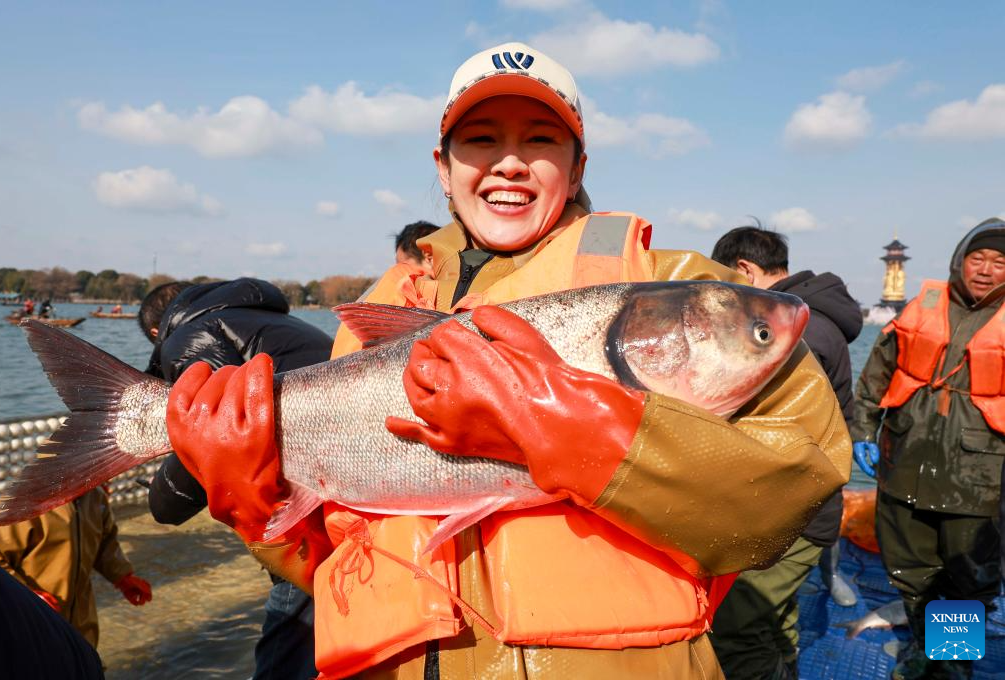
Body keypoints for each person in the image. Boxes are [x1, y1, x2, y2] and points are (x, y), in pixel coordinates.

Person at [163, 42, 850, 679]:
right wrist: (257, 505)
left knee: (949, 612)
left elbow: (793, 487)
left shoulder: (688, 292)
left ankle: (957, 655)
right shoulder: (374, 316)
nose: (509, 162)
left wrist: (572, 430)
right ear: (444, 167)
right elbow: (334, 565)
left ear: (579, 166)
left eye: (541, 140)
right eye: (481, 140)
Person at [139, 277, 334, 680]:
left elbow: (212, 435)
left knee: (288, 633)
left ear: (157, 332)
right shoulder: (275, 322)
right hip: (343, 480)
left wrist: (161, 502)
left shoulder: (190, 339)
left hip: (305, 508)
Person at [709, 224, 863, 679]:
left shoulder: (792, 330)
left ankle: (948, 664)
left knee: (956, 593)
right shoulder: (806, 318)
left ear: (744, 270)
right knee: (919, 584)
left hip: (967, 495)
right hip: (909, 489)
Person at [854, 218, 1005, 680]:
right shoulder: (921, 309)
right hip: (904, 464)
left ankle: (950, 666)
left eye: (1000, 262)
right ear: (960, 261)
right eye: (977, 258)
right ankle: (928, 646)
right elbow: (876, 375)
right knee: (911, 571)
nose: (985, 270)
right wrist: (862, 430)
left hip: (978, 482)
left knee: (967, 579)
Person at [0, 487, 152, 649]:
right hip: (33, 622)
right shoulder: (24, 502)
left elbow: (104, 541)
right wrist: (26, 597)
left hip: (83, 623)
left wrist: (122, 576)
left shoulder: (95, 496)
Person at [0, 557, 105, 679]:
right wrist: (26, 592)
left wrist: (122, 574)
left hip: (78, 618)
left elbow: (104, 543)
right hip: (26, 618)